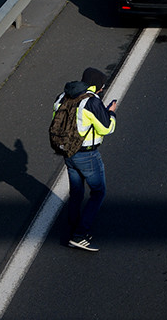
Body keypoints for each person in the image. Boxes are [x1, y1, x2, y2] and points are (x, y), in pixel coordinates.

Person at [55, 67, 118, 252]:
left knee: (76, 191)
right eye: (101, 87)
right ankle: (80, 235)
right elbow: (106, 128)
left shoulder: (62, 97)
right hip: (87, 155)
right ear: (97, 86)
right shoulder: (91, 102)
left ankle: (72, 228)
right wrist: (111, 113)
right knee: (98, 192)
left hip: (67, 152)